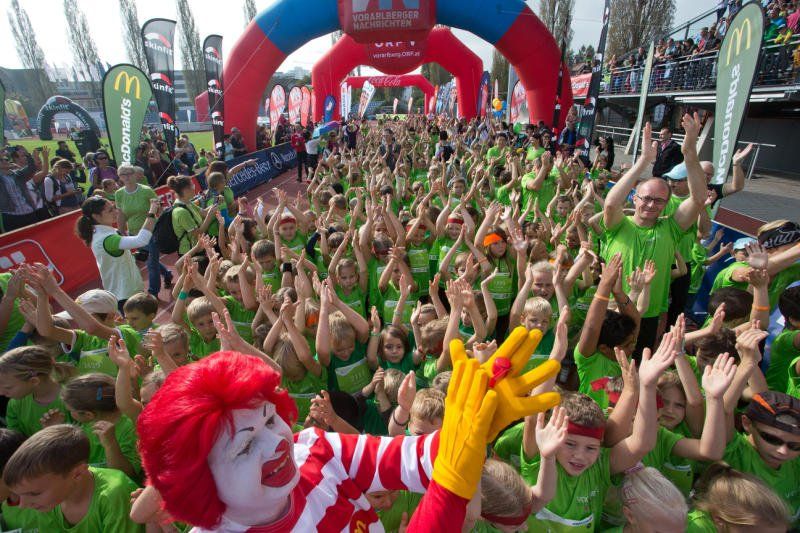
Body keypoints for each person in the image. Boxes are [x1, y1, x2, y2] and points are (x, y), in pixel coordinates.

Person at [132, 331, 560, 531]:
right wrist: (449, 491)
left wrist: (472, 430)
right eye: (244, 447)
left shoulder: (313, 449)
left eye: (270, 418)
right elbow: (445, 477)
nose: (276, 442)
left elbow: (412, 459)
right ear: (199, 480)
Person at [602, 116, 706, 355]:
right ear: (634, 198)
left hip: (648, 314)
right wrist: (643, 161)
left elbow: (699, 199)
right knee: (606, 364)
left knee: (639, 364)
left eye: (659, 201)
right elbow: (610, 204)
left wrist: (689, 152)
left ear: (667, 204)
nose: (651, 205)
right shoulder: (619, 225)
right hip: (613, 309)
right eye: (646, 198)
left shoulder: (671, 228)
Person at [2, 424, 142, 532]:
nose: (23, 505)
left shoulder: (114, 495)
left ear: (77, 474)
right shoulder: (49, 502)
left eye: (34, 493)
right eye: (20, 495)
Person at [75, 196, 159, 310]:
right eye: (110, 210)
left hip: (126, 291)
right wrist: (152, 211)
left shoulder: (106, 233)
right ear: (96, 216)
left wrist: (133, 256)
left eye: (114, 207)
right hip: (125, 295)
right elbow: (141, 240)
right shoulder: (106, 238)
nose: (116, 211)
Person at [114, 164, 172, 297]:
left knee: (151, 263)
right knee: (150, 260)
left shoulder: (146, 191)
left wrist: (163, 226)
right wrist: (121, 232)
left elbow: (159, 209)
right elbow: (121, 214)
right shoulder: (119, 194)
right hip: (134, 233)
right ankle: (167, 273)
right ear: (120, 177)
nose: (127, 176)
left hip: (151, 232)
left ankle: (152, 293)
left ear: (134, 174)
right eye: (123, 174)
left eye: (129, 173)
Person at [0, 146, 38, 231]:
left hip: (29, 212)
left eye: (6, 159)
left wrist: (27, 154)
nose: (5, 161)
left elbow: (32, 168)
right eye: (1, 160)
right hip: (12, 216)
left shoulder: (17, 174)